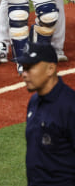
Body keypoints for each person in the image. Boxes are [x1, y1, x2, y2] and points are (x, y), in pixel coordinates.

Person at [19, 42, 75, 185]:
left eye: (30, 68)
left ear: (51, 68)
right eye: (23, 68)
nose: (24, 74)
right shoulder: (34, 102)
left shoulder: (70, 106)